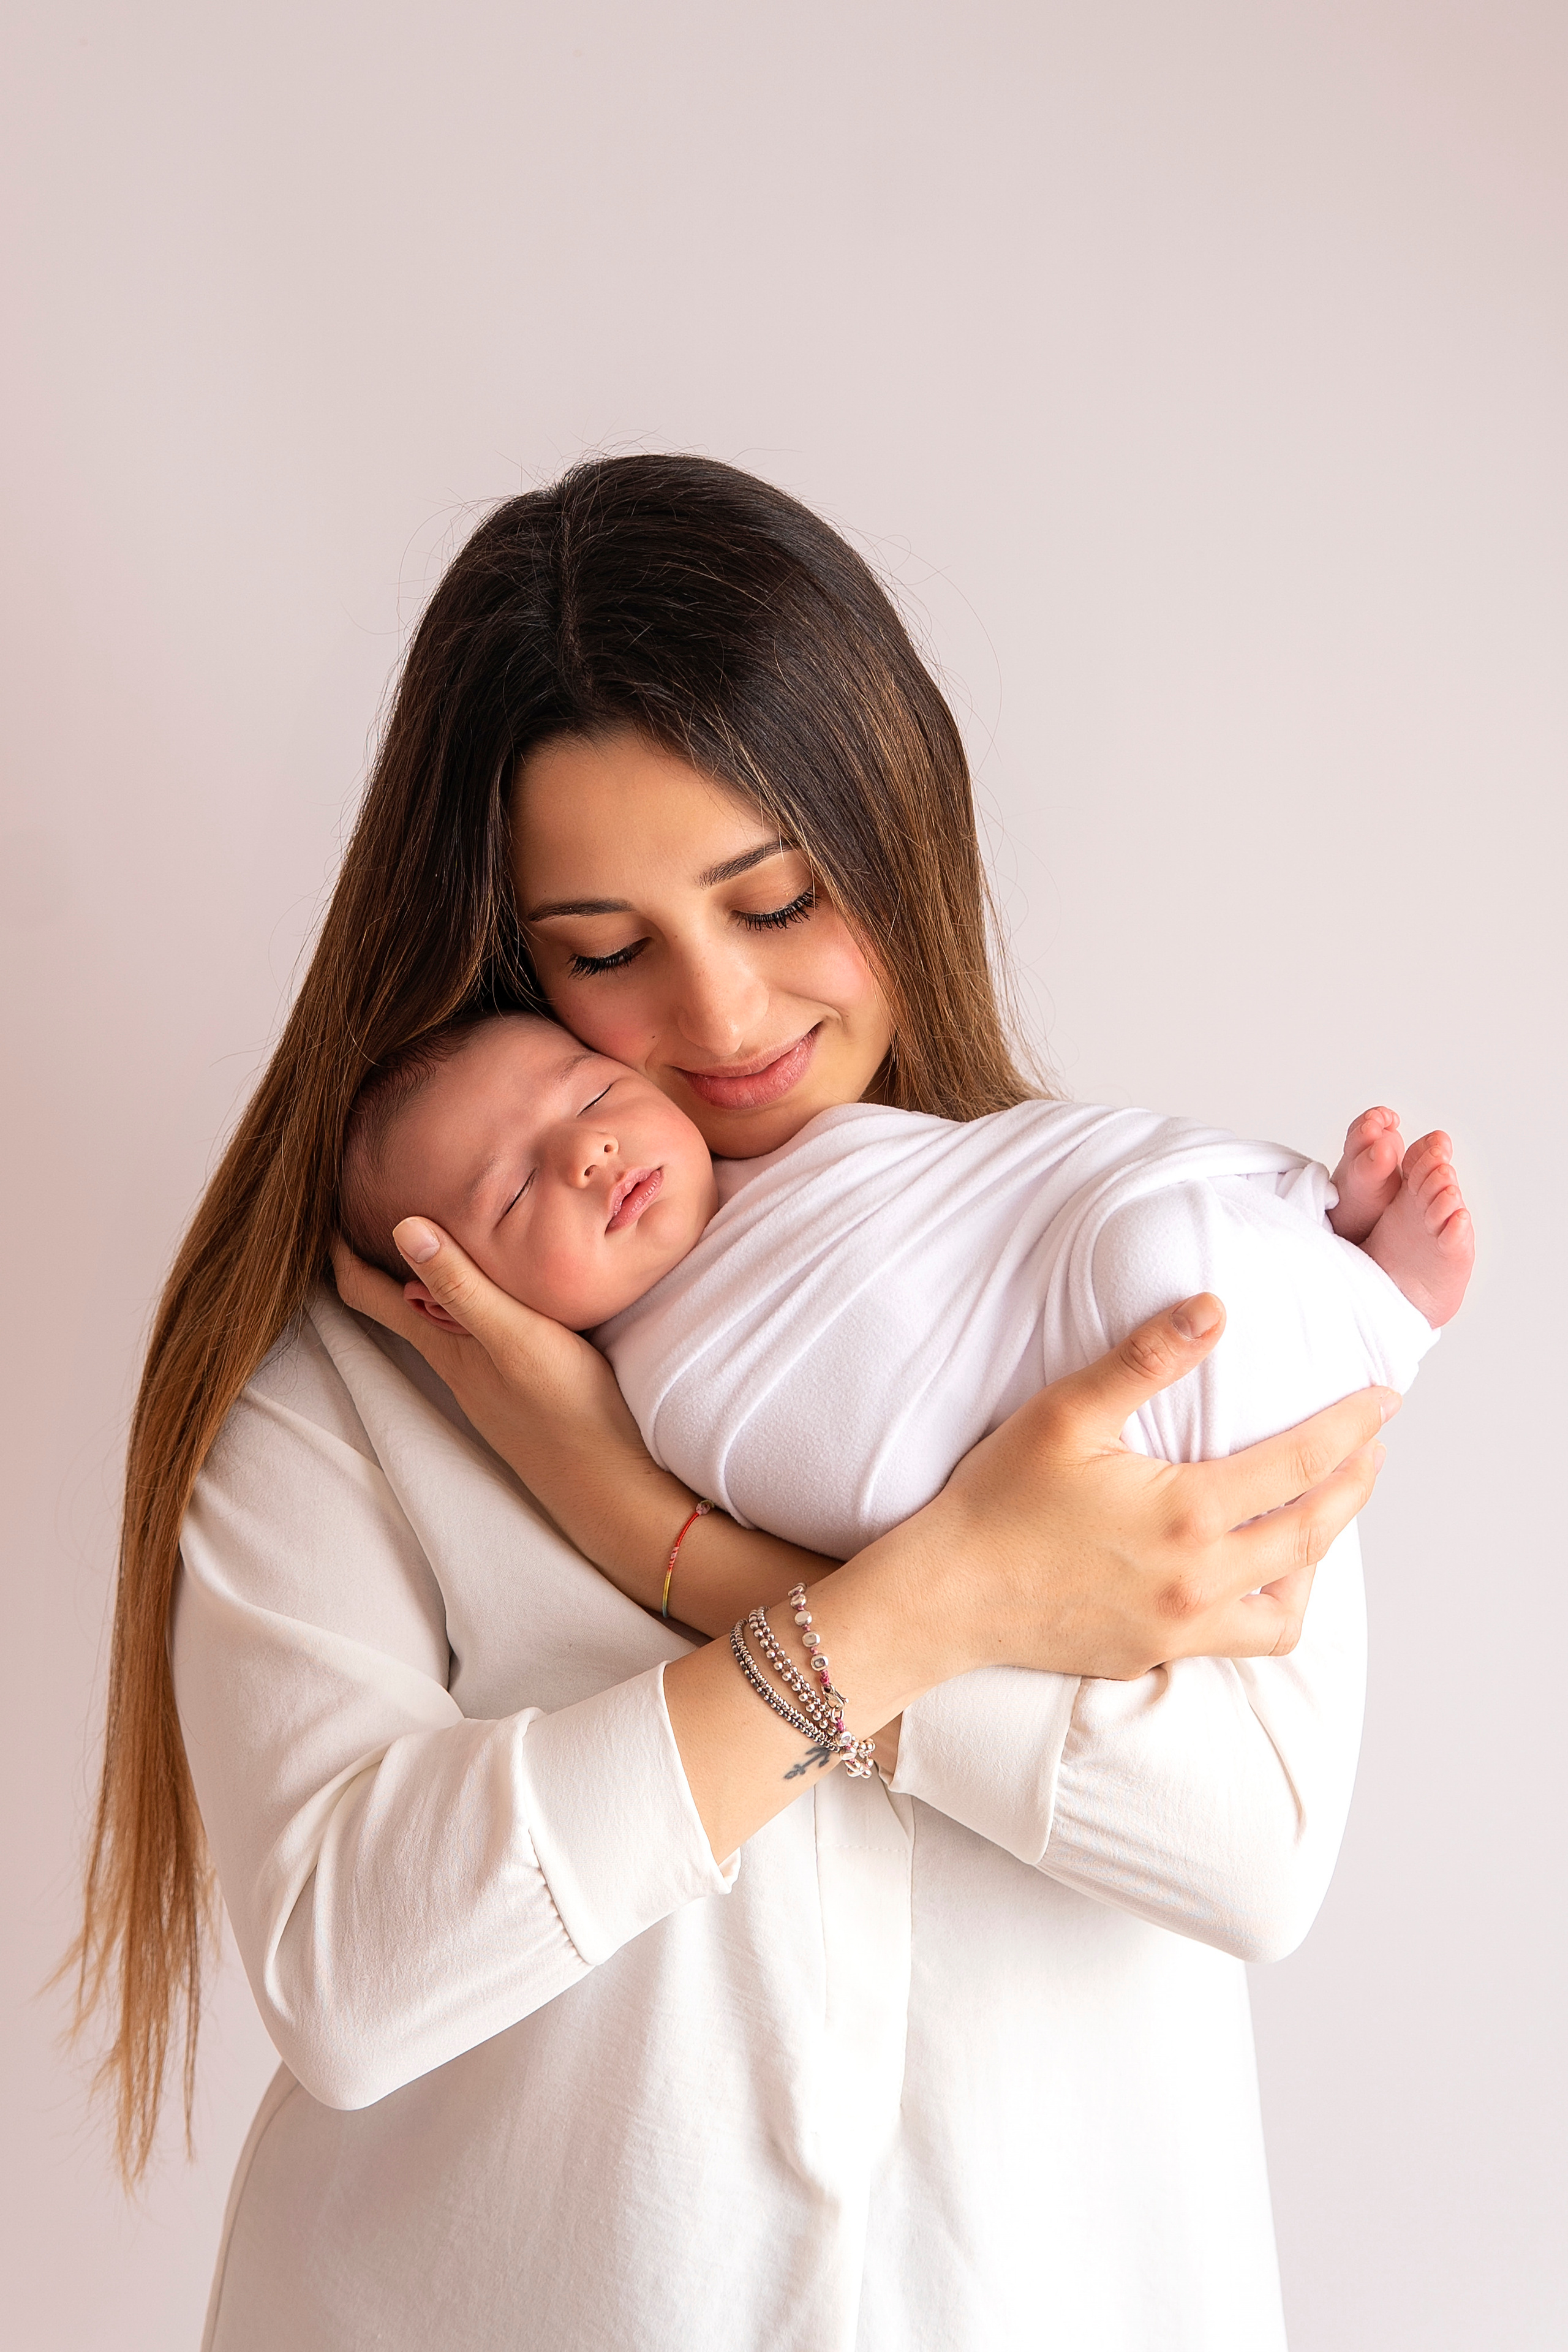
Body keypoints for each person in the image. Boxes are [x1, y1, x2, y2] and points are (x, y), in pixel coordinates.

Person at [73, 456, 1403, 2352]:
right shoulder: (362, 1391)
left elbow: (1251, 1854)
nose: (722, 1014)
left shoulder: (1125, 1264)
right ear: (505, 948)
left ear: (901, 832)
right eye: (606, 952)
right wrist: (917, 1609)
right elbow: (347, 1971)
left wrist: (658, 1540)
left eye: (778, 898)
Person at [334, 1007, 1467, 1664]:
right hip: (1112, 1440)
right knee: (1156, 1271)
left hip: (1083, 1275)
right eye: (516, 1194)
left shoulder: (793, 1143)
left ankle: (1313, 1244)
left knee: (1130, 1223)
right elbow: (869, 1483)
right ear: (460, 1294)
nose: (587, 1158)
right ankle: (1378, 1302)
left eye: (588, 1098)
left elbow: (999, 1190)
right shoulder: (683, 1389)